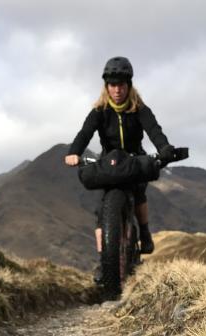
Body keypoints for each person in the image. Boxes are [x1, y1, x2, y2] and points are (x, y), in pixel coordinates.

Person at [64, 56, 175, 261]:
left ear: (128, 86)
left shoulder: (140, 109)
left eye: (121, 85)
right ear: (106, 87)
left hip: (134, 160)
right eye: (112, 85)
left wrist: (164, 148)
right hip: (109, 163)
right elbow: (85, 133)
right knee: (102, 213)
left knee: (139, 194)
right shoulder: (99, 112)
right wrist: (74, 152)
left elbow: (154, 130)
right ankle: (105, 261)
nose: (117, 90)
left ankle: (144, 232)